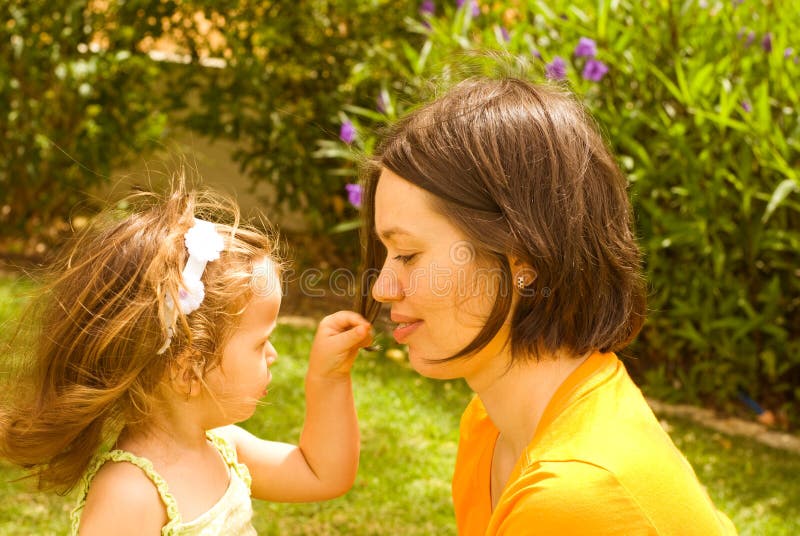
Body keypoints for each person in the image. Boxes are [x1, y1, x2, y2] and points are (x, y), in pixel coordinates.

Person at [357, 77, 737, 535]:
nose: (382, 289)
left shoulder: (573, 495)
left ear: (524, 259)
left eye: (408, 254)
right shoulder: (491, 426)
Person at [0, 180, 372, 535]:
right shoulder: (129, 493)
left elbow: (322, 473)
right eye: (261, 343)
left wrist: (330, 379)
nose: (273, 354)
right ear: (188, 370)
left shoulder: (223, 446)